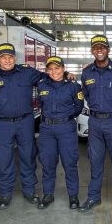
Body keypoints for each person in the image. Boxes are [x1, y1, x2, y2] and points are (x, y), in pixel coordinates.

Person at [0, 43, 43, 208]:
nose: (7, 60)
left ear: (15, 58)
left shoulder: (28, 73)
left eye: (10, 57)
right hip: (2, 125)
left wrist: (66, 74)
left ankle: (29, 191)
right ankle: (5, 194)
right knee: (3, 160)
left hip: (25, 122)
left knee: (28, 157)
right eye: (3, 57)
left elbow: (49, 78)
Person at [79, 35, 112, 214]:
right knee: (95, 161)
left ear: (108, 49)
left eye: (102, 47)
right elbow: (86, 94)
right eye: (96, 47)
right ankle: (93, 197)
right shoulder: (86, 72)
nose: (99, 50)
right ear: (92, 50)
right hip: (95, 123)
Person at [36, 55, 84, 210]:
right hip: (46, 129)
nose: (54, 71)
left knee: (70, 163)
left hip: (66, 128)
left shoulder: (73, 86)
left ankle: (73, 196)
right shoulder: (42, 85)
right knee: (48, 163)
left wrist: (66, 118)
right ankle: (48, 194)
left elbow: (78, 106)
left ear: (63, 69)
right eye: (50, 69)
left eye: (57, 68)